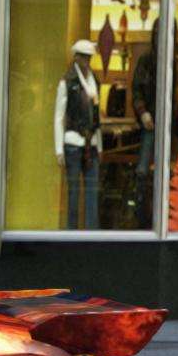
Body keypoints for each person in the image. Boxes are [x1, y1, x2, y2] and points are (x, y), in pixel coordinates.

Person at [54, 38, 102, 229]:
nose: (86, 61)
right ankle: (71, 234)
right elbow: (59, 117)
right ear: (76, 58)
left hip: (92, 143)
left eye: (89, 57)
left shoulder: (94, 81)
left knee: (92, 193)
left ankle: (92, 234)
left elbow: (97, 118)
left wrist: (99, 146)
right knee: (73, 194)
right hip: (73, 142)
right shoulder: (67, 82)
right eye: (83, 57)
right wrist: (59, 149)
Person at [130, 18, 160, 187]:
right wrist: (143, 113)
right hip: (150, 119)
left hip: (164, 121)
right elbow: (136, 90)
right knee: (143, 169)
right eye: (157, 33)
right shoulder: (146, 60)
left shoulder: (171, 61)